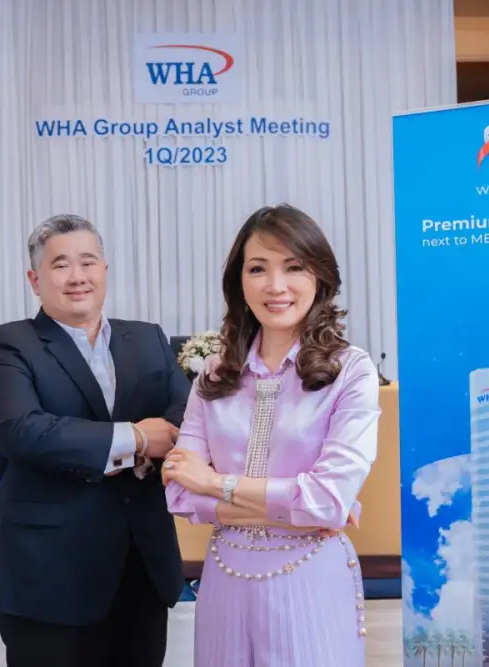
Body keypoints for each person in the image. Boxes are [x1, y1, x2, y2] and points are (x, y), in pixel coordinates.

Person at [162, 204, 380, 667]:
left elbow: (328, 499)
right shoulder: (215, 372)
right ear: (239, 282)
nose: (275, 286)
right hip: (225, 583)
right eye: (258, 268)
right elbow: (179, 492)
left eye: (294, 267)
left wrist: (214, 483)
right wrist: (297, 509)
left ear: (320, 277)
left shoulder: (351, 371)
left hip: (311, 579)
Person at [0, 214, 190, 667]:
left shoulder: (148, 338)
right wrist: (136, 439)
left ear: (104, 270)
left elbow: (185, 418)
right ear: (35, 280)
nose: (77, 277)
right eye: (61, 265)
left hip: (140, 566)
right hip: (48, 574)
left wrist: (153, 446)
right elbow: (22, 430)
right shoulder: (10, 344)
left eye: (88, 262)